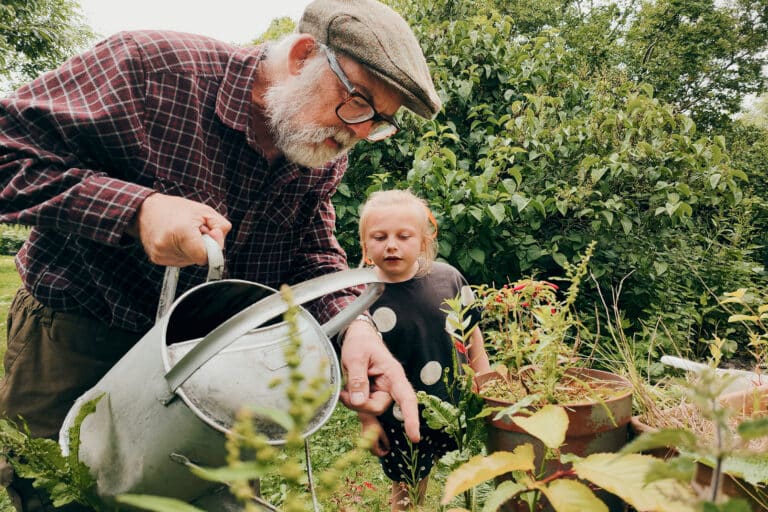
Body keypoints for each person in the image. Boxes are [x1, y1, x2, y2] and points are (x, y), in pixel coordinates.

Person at [0, 0, 442, 509]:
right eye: (359, 102)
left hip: (213, 359)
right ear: (302, 56)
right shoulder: (151, 69)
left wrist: (355, 328)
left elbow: (309, 253)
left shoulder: (318, 147)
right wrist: (137, 210)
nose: (360, 132)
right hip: (79, 336)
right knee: (60, 495)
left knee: (207, 498)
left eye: (379, 120)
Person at [354, 190, 491, 511]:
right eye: (379, 236)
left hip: (454, 404)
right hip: (399, 415)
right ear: (364, 245)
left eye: (404, 236)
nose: (391, 244)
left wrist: (484, 376)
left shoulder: (448, 279)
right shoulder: (359, 295)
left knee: (465, 475)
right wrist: (367, 420)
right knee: (408, 485)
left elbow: (472, 334)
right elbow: (355, 370)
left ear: (424, 242)